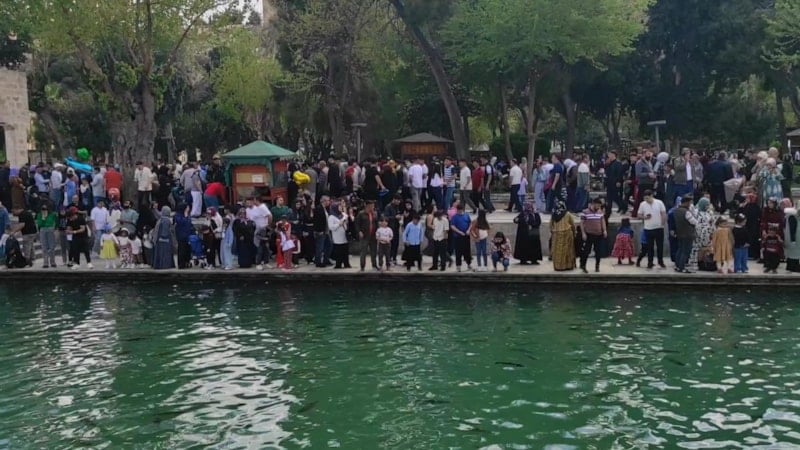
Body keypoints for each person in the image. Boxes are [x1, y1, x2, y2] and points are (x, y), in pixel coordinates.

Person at [637, 190, 667, 269]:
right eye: (645, 198)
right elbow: (639, 215)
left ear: (651, 196)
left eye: (648, 198)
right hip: (648, 228)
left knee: (660, 246)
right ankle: (650, 262)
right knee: (650, 247)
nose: (646, 200)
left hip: (658, 228)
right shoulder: (642, 204)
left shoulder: (659, 203)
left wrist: (662, 223)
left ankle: (660, 261)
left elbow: (663, 213)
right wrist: (644, 217)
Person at [579, 198, 607, 273]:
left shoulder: (600, 212)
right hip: (589, 234)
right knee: (586, 251)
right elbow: (581, 223)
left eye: (599, 206)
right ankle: (583, 265)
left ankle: (597, 266)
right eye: (598, 205)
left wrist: (604, 230)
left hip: (598, 234)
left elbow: (602, 221)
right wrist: (583, 233)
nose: (598, 207)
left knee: (598, 251)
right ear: (593, 204)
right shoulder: (585, 212)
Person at [673, 196, 698, 273]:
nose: (690, 204)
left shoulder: (676, 210)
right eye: (690, 202)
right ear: (687, 202)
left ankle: (677, 266)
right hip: (688, 234)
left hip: (680, 233)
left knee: (680, 249)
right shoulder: (686, 212)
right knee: (685, 251)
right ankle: (682, 267)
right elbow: (694, 222)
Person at [688, 198, 715, 270]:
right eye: (706, 205)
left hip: (707, 234)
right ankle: (693, 264)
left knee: (706, 248)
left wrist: (712, 231)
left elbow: (712, 223)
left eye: (708, 205)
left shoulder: (710, 213)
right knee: (695, 248)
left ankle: (704, 263)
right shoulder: (696, 212)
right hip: (698, 233)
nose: (707, 206)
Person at [550, 201, 576, 271]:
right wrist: (574, 233)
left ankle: (558, 267)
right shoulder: (567, 214)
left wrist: (553, 232)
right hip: (567, 234)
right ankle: (568, 266)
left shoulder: (554, 214)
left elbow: (551, 225)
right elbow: (572, 224)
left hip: (556, 235)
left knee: (557, 251)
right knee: (568, 251)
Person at [356, 200, 379, 272]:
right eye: (371, 206)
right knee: (363, 252)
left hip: (373, 236)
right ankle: (362, 266)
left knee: (374, 251)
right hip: (364, 236)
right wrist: (359, 231)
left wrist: (378, 233)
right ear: (367, 206)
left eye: (373, 206)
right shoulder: (361, 214)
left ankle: (374, 265)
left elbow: (376, 224)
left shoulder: (374, 213)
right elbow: (357, 224)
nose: (373, 207)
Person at [450, 204, 472, 272]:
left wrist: (468, 230)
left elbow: (470, 223)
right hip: (458, 237)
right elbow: (452, 226)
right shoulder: (454, 217)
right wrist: (459, 232)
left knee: (467, 251)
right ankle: (458, 266)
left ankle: (469, 264)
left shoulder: (466, 215)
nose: (460, 212)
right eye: (458, 211)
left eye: (461, 210)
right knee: (458, 251)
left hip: (466, 236)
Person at [328, 202, 351, 269]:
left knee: (345, 251)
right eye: (339, 206)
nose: (340, 208)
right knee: (338, 252)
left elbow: (347, 219)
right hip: (337, 237)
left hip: (344, 235)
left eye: (341, 206)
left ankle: (346, 263)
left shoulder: (343, 214)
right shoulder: (331, 217)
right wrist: (339, 224)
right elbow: (331, 227)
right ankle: (338, 264)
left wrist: (346, 221)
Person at [36, 204, 57, 268]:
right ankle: (45, 262)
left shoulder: (52, 214)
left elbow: (56, 221)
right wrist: (43, 218)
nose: (44, 211)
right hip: (43, 229)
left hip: (50, 229)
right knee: (44, 246)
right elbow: (39, 224)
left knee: (51, 246)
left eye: (45, 209)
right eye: (43, 209)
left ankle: (52, 262)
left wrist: (55, 228)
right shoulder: (39, 215)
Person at [784, 201, 800, 273]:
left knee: (794, 253)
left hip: (795, 238)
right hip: (794, 239)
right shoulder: (792, 216)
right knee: (793, 253)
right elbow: (792, 229)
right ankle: (793, 267)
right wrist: (793, 240)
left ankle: (793, 267)